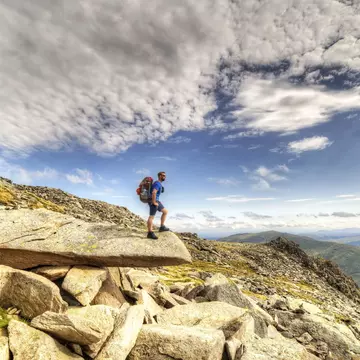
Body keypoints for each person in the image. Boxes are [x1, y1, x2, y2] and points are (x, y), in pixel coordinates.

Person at [147, 171, 169, 239]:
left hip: (157, 201)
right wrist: (153, 202)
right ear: (159, 176)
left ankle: (162, 227)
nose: (164, 177)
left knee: (165, 211)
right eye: (163, 175)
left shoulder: (158, 183)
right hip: (153, 201)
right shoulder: (157, 183)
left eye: (165, 175)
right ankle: (150, 233)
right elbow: (154, 192)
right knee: (151, 217)